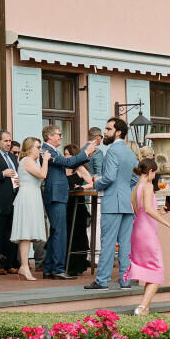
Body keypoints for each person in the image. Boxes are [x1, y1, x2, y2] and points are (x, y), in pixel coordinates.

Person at [85, 117, 137, 290]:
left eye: (108, 129)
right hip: (126, 201)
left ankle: (102, 280)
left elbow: (109, 177)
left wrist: (96, 184)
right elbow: (136, 177)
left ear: (118, 132)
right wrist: (125, 189)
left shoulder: (113, 151)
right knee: (125, 243)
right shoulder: (130, 152)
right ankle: (125, 279)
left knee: (107, 242)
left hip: (113, 201)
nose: (105, 132)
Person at [125, 157, 170, 315]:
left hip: (138, 230)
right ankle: (142, 307)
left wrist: (161, 212)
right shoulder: (148, 186)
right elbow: (148, 210)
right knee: (157, 270)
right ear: (150, 171)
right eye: (154, 173)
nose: (155, 177)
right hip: (147, 232)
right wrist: (168, 224)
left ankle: (145, 307)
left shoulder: (135, 188)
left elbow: (142, 212)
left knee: (151, 270)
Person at [41, 126, 96, 279]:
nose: (60, 137)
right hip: (56, 195)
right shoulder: (48, 150)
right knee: (59, 232)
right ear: (50, 136)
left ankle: (49, 268)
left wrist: (86, 153)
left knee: (56, 232)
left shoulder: (51, 150)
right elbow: (69, 162)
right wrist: (85, 151)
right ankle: (58, 269)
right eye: (58, 134)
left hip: (57, 194)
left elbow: (69, 162)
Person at [11, 137, 50, 281]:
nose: (40, 150)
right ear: (30, 148)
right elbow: (42, 175)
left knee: (27, 234)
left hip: (32, 196)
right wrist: (45, 160)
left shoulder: (32, 161)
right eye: (38, 147)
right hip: (27, 197)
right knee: (25, 233)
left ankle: (24, 266)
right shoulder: (27, 160)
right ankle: (24, 266)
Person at [0, 129, 19, 274]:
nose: (8, 144)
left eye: (9, 141)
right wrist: (2, 174)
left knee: (11, 234)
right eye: (5, 141)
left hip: (13, 200)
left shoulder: (12, 158)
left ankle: (10, 263)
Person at [65, 143, 93, 277]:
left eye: (68, 154)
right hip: (66, 204)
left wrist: (82, 188)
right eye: (64, 154)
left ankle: (78, 264)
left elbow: (92, 182)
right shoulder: (63, 168)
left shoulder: (80, 168)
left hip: (78, 204)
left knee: (78, 233)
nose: (66, 157)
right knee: (67, 231)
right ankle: (66, 263)